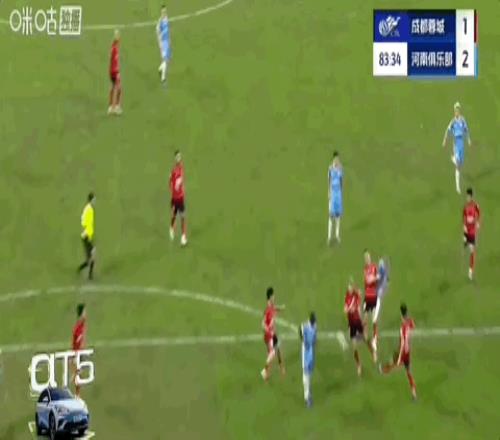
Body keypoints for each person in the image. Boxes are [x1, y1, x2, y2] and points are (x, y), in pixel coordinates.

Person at [381, 303, 417, 400]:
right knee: (409, 372)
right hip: (408, 351)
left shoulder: (402, 329)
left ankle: (384, 370)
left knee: (396, 364)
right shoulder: (409, 322)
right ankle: (414, 394)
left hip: (403, 351)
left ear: (401, 315)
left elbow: (402, 344)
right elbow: (413, 325)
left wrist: (400, 356)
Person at [344, 280, 375, 376]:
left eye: (351, 287)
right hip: (351, 324)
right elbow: (345, 309)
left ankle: (373, 352)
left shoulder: (356, 296)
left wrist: (356, 289)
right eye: (349, 287)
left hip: (358, 322)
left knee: (365, 339)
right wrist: (349, 309)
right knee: (354, 347)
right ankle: (359, 365)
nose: (349, 289)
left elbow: (360, 295)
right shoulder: (347, 297)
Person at [442, 102, 471, 194]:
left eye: (458, 110)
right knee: (458, 165)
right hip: (456, 143)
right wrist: (444, 140)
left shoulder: (462, 120)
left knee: (460, 163)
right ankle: (457, 187)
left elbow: (466, 129)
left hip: (461, 142)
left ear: (459, 111)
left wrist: (468, 139)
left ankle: (453, 159)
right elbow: (447, 130)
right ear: (454, 112)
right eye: (455, 111)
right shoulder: (453, 122)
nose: (457, 112)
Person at [261, 287, 285, 380]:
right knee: (272, 353)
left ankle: (281, 366)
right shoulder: (267, 310)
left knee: (278, 348)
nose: (274, 297)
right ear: (270, 297)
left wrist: (280, 308)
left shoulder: (271, 306)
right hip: (269, 336)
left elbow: (274, 308)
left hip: (272, 334)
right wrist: (267, 329)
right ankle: (265, 371)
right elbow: (262, 323)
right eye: (273, 295)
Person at [363, 249, 380, 354]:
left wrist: (375, 278)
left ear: (370, 257)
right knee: (365, 316)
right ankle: (365, 334)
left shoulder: (374, 267)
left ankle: (374, 338)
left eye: (368, 257)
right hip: (367, 296)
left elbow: (378, 278)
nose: (367, 259)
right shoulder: (365, 269)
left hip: (373, 296)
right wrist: (374, 278)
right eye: (365, 257)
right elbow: (367, 280)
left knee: (374, 319)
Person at [169, 150, 187, 246]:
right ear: (175, 158)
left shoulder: (181, 168)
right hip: (175, 198)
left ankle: (183, 236)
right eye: (177, 157)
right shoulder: (174, 171)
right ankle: (171, 228)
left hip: (181, 197)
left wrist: (181, 190)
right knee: (174, 215)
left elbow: (181, 181)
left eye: (180, 156)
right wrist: (173, 191)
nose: (179, 158)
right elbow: (170, 182)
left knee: (183, 217)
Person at [299, 312, 317, 407]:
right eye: (314, 321)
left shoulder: (314, 327)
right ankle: (307, 397)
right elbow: (300, 329)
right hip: (305, 351)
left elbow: (314, 338)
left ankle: (308, 391)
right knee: (306, 373)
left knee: (309, 373)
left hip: (311, 351)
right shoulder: (305, 326)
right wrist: (303, 340)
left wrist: (314, 343)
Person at [463, 187, 480, 280]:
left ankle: (470, 270)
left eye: (468, 196)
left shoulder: (475, 205)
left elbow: (479, 212)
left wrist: (478, 222)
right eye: (467, 196)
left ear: (471, 196)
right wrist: (464, 226)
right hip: (467, 231)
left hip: (472, 231)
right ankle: (466, 241)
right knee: (466, 244)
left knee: (472, 251)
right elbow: (464, 216)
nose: (467, 198)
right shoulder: (465, 207)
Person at [78, 192, 96, 280]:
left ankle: (89, 275)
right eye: (94, 199)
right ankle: (85, 273)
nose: (95, 201)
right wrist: (88, 234)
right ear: (91, 200)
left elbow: (83, 220)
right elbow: (86, 223)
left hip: (87, 236)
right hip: (86, 237)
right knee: (91, 257)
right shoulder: (89, 210)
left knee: (92, 255)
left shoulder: (88, 208)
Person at [71, 303, 87, 398]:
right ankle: (77, 395)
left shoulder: (82, 324)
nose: (86, 313)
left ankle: (77, 394)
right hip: (78, 353)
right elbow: (76, 342)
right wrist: (76, 354)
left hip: (80, 352)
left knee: (79, 373)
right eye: (84, 312)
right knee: (78, 374)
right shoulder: (78, 328)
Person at [327, 151, 343, 244]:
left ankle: (337, 235)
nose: (337, 160)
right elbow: (329, 181)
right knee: (331, 215)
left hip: (338, 194)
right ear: (333, 159)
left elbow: (341, 181)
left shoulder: (340, 169)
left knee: (338, 215)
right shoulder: (330, 168)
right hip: (332, 192)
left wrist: (341, 193)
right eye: (335, 158)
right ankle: (329, 236)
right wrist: (329, 192)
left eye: (338, 158)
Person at [108, 29, 122, 115]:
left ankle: (111, 107)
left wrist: (116, 35)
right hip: (115, 71)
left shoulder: (114, 47)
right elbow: (113, 61)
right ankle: (116, 107)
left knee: (113, 88)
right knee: (119, 88)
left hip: (111, 71)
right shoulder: (114, 49)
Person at [156, 5, 171, 83]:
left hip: (167, 41)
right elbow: (157, 32)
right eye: (163, 11)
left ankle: (160, 68)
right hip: (163, 42)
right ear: (161, 12)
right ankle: (163, 77)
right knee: (165, 59)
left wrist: (169, 40)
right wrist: (160, 43)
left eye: (165, 11)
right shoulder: (160, 21)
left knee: (167, 59)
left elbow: (168, 30)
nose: (164, 12)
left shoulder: (166, 18)